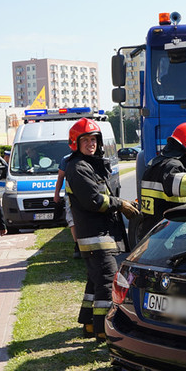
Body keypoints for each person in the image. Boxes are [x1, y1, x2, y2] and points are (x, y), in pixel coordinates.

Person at [64, 117, 140, 341]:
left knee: (95, 281)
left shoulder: (89, 165)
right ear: (75, 143)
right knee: (107, 281)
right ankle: (102, 329)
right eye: (85, 140)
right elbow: (93, 201)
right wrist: (121, 204)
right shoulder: (78, 167)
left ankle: (89, 325)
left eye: (94, 139)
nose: (91, 143)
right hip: (96, 237)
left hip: (99, 236)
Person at [53, 152, 80, 258]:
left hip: (87, 195)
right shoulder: (66, 159)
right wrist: (56, 194)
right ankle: (77, 245)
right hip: (70, 196)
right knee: (72, 220)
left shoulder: (90, 157)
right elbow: (60, 177)